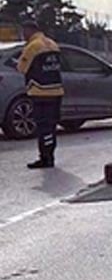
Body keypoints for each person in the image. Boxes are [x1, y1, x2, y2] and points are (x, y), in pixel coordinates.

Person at [16, 20, 65, 169]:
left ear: (29, 30)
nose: (23, 35)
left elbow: (21, 68)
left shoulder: (32, 47)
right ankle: (50, 155)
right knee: (51, 126)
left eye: (23, 31)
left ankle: (45, 158)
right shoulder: (53, 44)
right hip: (56, 91)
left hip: (40, 91)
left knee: (43, 126)